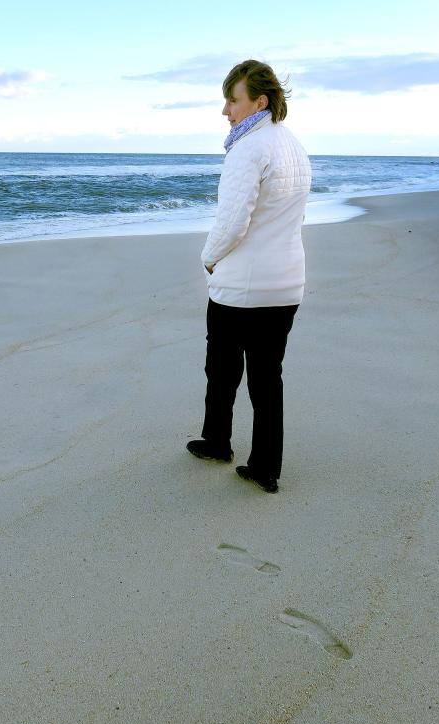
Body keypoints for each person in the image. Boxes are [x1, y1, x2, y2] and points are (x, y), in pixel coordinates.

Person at [186, 59, 311, 493]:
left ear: (259, 101)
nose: (225, 110)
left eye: (232, 100)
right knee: (266, 377)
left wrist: (208, 258)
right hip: (286, 283)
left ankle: (218, 442)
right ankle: (265, 468)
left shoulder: (248, 149)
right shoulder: (292, 144)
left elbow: (233, 221)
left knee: (221, 370)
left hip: (242, 288)